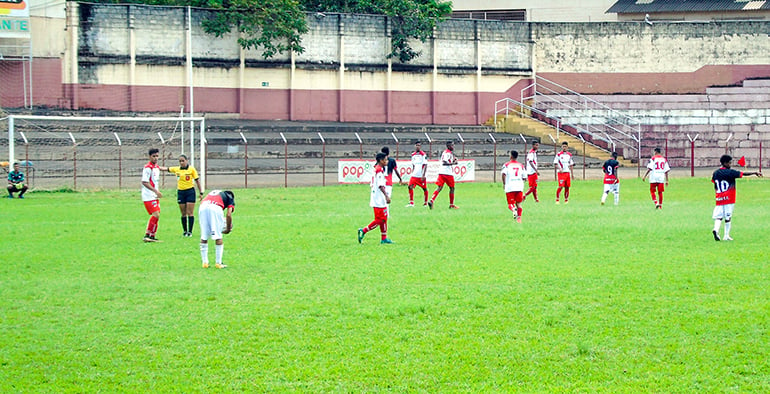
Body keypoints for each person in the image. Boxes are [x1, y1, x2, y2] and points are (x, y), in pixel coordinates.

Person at [711, 154, 762, 241]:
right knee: (728, 217)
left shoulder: (716, 173)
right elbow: (743, 174)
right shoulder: (730, 172)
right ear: (725, 163)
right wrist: (754, 172)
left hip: (719, 198)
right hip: (729, 198)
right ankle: (726, 235)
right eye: (729, 163)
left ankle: (716, 230)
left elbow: (714, 182)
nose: (730, 165)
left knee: (718, 216)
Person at [358, 153, 393, 244]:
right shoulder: (379, 171)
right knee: (380, 219)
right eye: (386, 160)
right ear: (381, 160)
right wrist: (386, 196)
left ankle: (384, 238)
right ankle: (364, 230)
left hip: (376, 197)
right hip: (379, 199)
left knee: (384, 218)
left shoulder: (377, 169)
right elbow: (381, 186)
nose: (387, 161)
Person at [167, 154, 203, 237]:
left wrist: (201, 192)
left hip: (190, 191)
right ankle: (185, 231)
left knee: (190, 212)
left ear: (186, 161)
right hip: (181, 192)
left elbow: (197, 181)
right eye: (180, 161)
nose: (181, 163)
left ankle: (190, 231)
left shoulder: (191, 169)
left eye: (183, 161)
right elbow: (166, 169)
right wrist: (155, 166)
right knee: (183, 213)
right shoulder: (177, 169)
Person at [199, 190, 235, 268]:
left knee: (204, 235)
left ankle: (205, 262)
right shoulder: (230, 197)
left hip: (203, 206)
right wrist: (228, 229)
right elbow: (229, 215)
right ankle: (218, 263)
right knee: (218, 235)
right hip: (215, 207)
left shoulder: (217, 192)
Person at [141, 148, 168, 243]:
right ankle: (147, 235)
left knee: (157, 215)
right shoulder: (147, 168)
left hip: (154, 196)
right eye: (154, 156)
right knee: (155, 214)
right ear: (149, 157)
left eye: (157, 156)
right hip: (148, 196)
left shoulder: (156, 167)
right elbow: (144, 182)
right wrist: (156, 191)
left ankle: (152, 235)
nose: (156, 158)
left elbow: (162, 169)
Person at [428, 140, 459, 209]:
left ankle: (431, 200)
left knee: (439, 187)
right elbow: (444, 162)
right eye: (452, 145)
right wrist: (453, 163)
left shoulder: (448, 153)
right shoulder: (447, 153)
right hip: (447, 173)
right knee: (452, 188)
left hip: (441, 173)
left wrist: (454, 160)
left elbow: (448, 160)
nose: (453, 146)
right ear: (448, 146)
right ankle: (451, 205)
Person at [501, 150, 527, 223]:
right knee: (519, 203)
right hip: (519, 186)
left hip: (510, 186)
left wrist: (504, 183)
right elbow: (525, 177)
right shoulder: (521, 165)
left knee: (510, 204)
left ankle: (513, 210)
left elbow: (503, 174)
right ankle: (519, 219)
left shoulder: (506, 165)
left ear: (511, 156)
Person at [406, 141, 429, 207]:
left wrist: (423, 175)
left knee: (424, 188)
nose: (418, 146)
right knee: (410, 186)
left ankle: (425, 203)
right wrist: (413, 172)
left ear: (420, 146)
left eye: (419, 145)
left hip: (421, 175)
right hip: (414, 175)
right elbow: (413, 165)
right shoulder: (413, 155)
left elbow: (425, 165)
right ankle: (411, 202)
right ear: (415, 146)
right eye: (417, 145)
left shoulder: (423, 154)